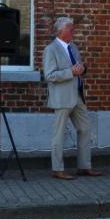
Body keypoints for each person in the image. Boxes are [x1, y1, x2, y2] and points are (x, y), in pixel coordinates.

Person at [42, 17, 103, 180]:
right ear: (60, 31)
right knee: (59, 134)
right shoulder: (51, 49)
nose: (73, 31)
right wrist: (71, 72)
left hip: (77, 96)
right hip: (62, 98)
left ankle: (84, 166)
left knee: (85, 129)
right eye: (70, 29)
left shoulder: (73, 47)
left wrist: (83, 69)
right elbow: (49, 75)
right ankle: (57, 169)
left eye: (73, 28)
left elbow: (79, 67)